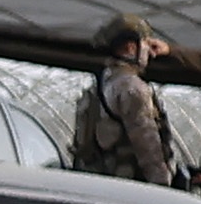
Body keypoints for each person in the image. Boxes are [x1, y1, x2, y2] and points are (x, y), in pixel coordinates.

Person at [65, 13, 178, 188]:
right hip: (127, 188)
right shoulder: (133, 88)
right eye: (147, 44)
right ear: (131, 49)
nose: (151, 53)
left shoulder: (100, 86)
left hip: (98, 184)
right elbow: (147, 146)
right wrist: (163, 184)